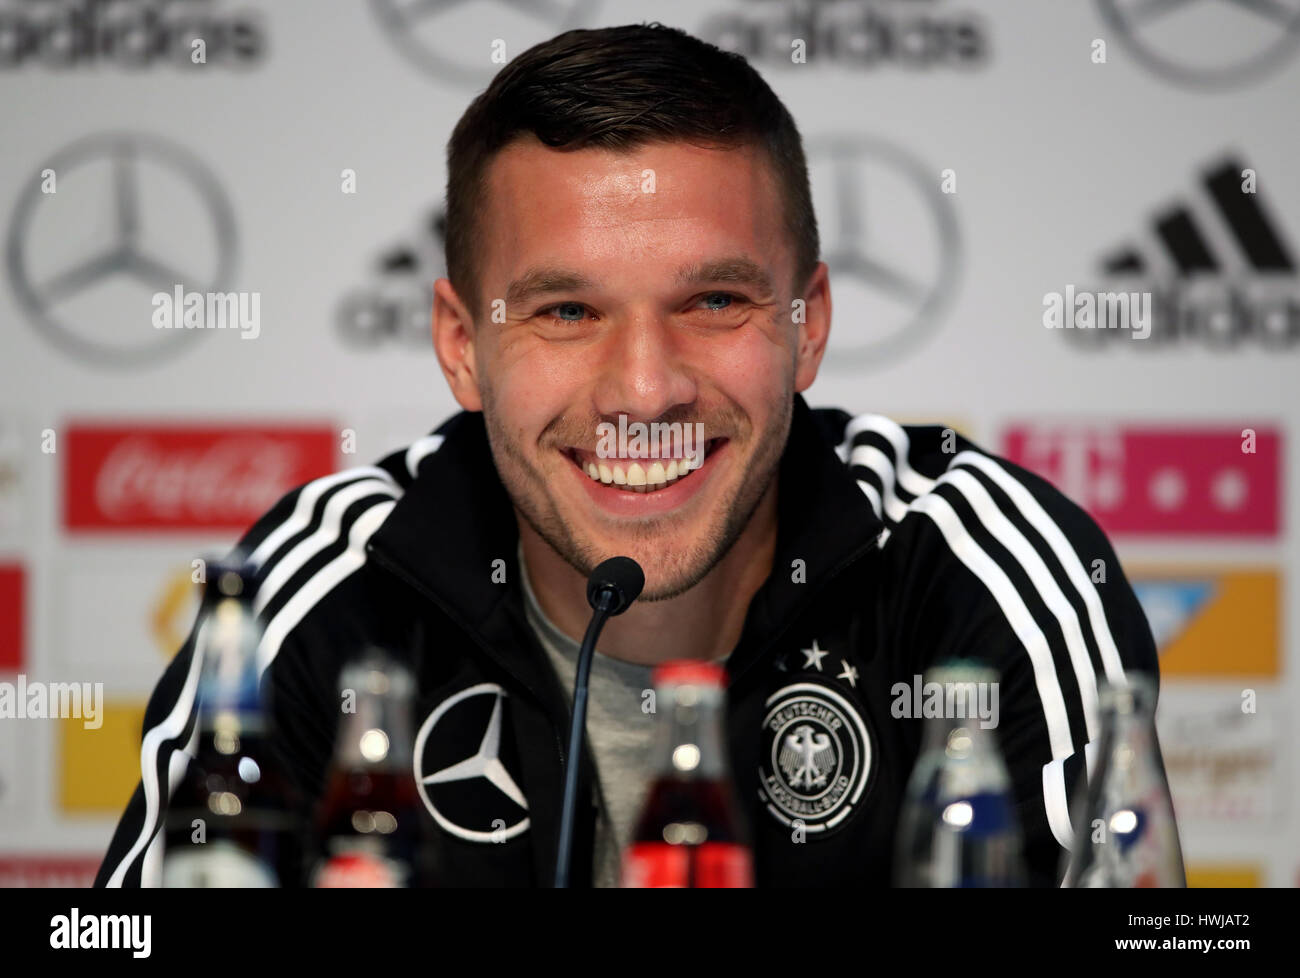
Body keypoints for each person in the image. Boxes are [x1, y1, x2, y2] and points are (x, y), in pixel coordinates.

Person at [96, 22, 1163, 888]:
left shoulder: (985, 577)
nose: (645, 388)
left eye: (713, 300)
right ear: (464, 348)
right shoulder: (317, 594)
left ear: (809, 322)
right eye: (566, 310)